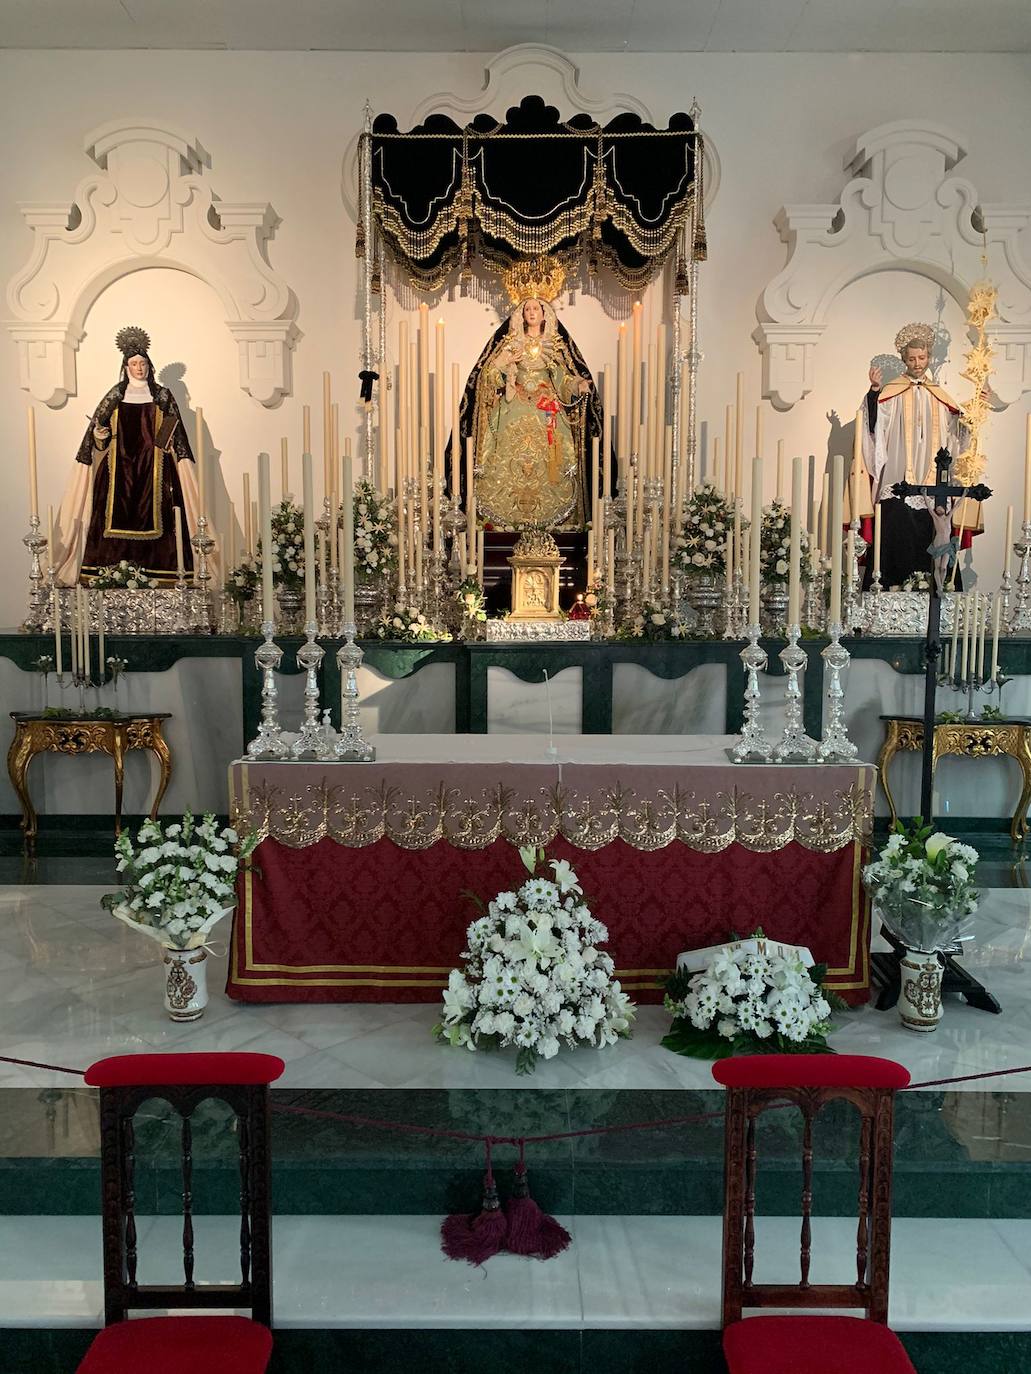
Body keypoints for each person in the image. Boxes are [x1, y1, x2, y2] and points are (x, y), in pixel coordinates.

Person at [54, 326, 201, 585]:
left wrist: (166, 445)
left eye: (143, 363)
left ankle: (160, 572)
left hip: (155, 469)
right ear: (126, 367)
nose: (139, 368)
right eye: (134, 364)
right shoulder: (116, 395)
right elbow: (98, 434)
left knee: (166, 517)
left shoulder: (162, 395)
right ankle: (111, 573)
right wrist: (100, 435)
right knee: (108, 515)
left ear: (149, 366)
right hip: (118, 471)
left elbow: (175, 434)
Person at [458, 295, 602, 530]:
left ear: (544, 314)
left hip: (546, 409)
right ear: (521, 315)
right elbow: (488, 377)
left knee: (553, 460)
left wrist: (578, 385)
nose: (532, 312)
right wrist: (503, 364)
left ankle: (556, 522)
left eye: (537, 308)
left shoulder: (554, 345)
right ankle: (501, 522)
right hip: (513, 406)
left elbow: (562, 379)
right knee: (502, 456)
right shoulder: (511, 344)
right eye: (528, 309)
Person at [858, 321, 972, 590]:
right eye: (911, 358)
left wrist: (973, 414)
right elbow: (873, 426)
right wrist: (874, 392)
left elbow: (957, 433)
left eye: (921, 358)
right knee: (896, 534)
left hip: (934, 485)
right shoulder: (890, 392)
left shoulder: (940, 395)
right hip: (899, 477)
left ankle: (934, 591)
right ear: (903, 360)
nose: (917, 363)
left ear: (929, 357)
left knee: (933, 538)